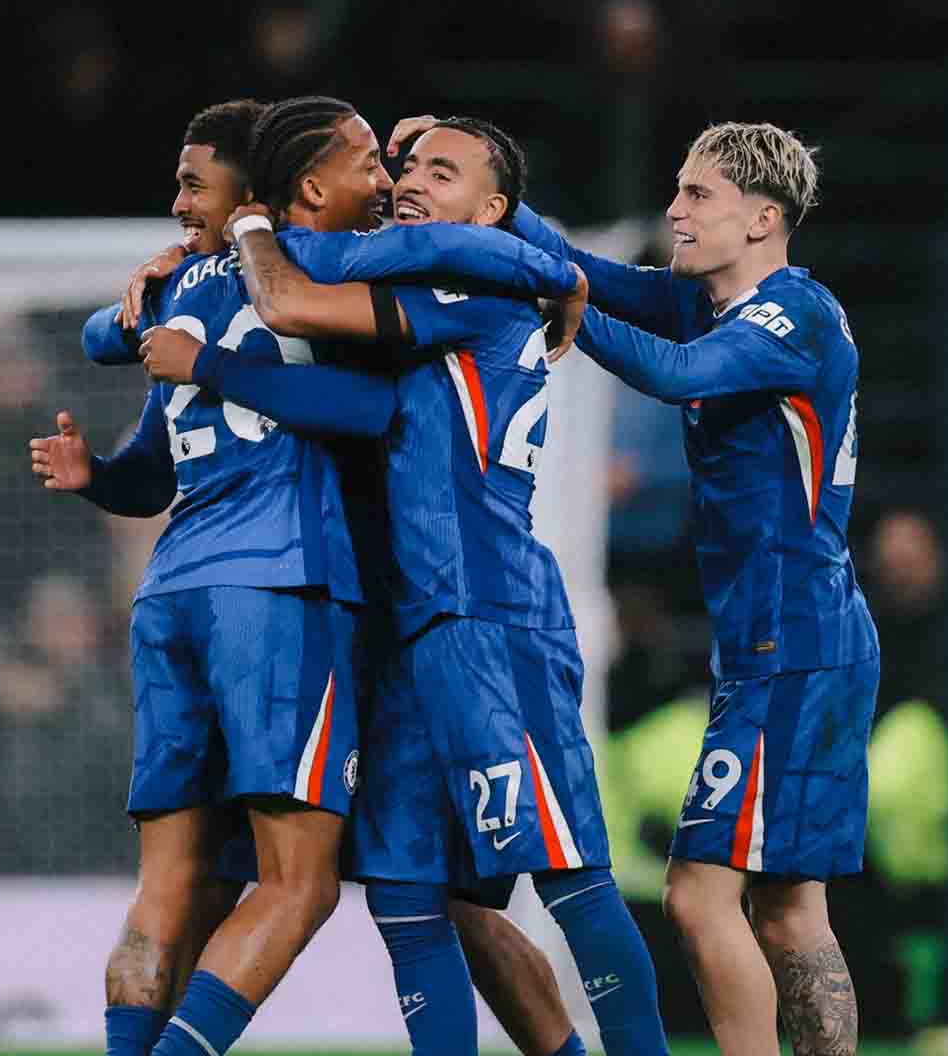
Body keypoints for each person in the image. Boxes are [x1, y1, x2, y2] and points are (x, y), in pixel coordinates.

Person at [34, 98, 592, 1056]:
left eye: (188, 187)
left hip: (186, 592)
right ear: (299, 187)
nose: (390, 181)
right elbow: (375, 405)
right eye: (372, 162)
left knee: (189, 884)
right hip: (304, 597)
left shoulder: (178, 295)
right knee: (345, 886)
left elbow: (116, 364)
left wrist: (102, 458)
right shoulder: (320, 283)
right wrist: (557, 270)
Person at [505, 120, 877, 1056]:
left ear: (763, 217)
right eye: (677, 189)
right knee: (792, 911)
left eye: (698, 195)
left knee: (695, 890)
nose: (675, 209)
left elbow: (673, 373)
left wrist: (573, 317)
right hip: (792, 635)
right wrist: (496, 209)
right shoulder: (712, 304)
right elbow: (585, 269)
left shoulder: (792, 314)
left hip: (791, 640)